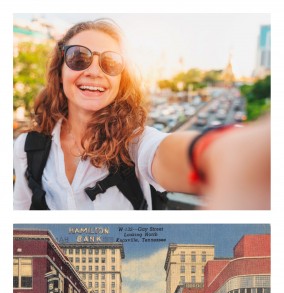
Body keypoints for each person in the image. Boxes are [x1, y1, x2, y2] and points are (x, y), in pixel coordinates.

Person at [13, 18, 270, 211]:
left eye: (110, 63)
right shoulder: (27, 147)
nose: (94, 71)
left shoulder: (133, 144)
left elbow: (165, 152)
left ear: (121, 80)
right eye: (79, 57)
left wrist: (223, 153)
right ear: (60, 69)